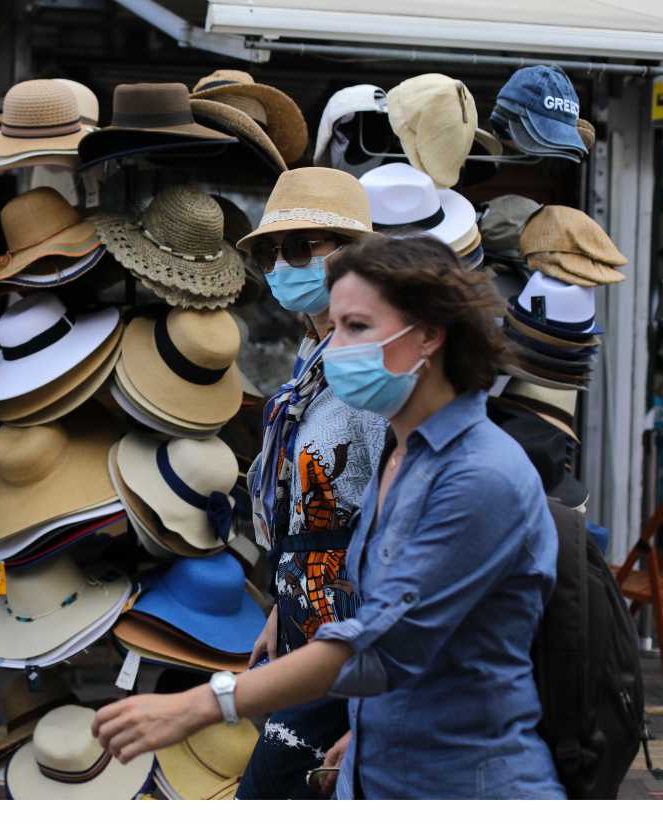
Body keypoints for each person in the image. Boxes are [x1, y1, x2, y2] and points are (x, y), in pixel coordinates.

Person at [93, 234, 564, 799]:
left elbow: (381, 646)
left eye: (358, 327)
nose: (335, 348)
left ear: (430, 336)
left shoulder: (476, 475)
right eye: (335, 327)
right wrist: (363, 730)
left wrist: (202, 704)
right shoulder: (406, 457)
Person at [236, 168, 387, 798]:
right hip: (307, 617)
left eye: (301, 248)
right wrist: (283, 603)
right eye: (272, 251)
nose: (281, 263)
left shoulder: (372, 367)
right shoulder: (312, 360)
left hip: (352, 628)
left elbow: (389, 514)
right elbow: (306, 507)